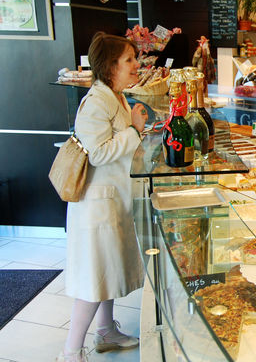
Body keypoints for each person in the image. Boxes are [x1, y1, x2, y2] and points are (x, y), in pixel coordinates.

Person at [57, 32, 148, 362]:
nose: (136, 65)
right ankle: (71, 351)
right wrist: (135, 131)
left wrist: (135, 130)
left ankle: (106, 331)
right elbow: (98, 153)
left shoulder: (115, 96)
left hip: (113, 201)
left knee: (107, 272)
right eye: (129, 60)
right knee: (93, 279)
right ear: (110, 67)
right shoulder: (96, 102)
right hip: (97, 206)